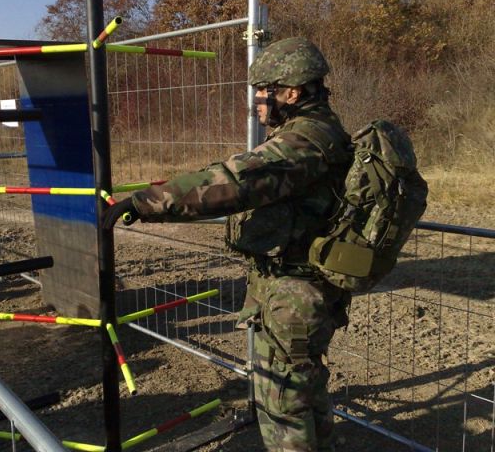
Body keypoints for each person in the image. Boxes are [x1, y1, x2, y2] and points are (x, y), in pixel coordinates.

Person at [103, 37, 353, 452]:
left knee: (284, 403)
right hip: (299, 288)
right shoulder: (321, 132)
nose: (257, 100)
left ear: (292, 93)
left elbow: (233, 182)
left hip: (294, 293)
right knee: (305, 392)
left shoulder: (304, 143)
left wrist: (144, 202)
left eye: (265, 90)